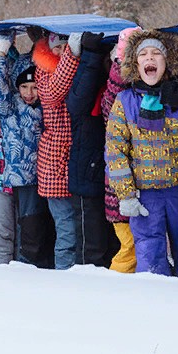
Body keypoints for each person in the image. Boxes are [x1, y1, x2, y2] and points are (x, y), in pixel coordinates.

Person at [106, 30, 178, 281]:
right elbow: (115, 150)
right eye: (143, 54)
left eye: (156, 54)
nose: (149, 58)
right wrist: (126, 195)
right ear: (136, 64)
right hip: (144, 196)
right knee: (149, 254)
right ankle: (154, 305)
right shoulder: (125, 101)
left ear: (167, 62)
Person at [0, 30, 52, 266]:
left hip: (32, 179)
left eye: (34, 87)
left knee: (29, 238)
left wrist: (41, 45)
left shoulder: (41, 109)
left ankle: (23, 285)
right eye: (24, 87)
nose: (29, 93)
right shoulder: (6, 106)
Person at [66, 31, 119, 267]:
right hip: (87, 174)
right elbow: (76, 104)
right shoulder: (87, 81)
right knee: (91, 249)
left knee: (116, 247)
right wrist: (91, 56)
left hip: (116, 177)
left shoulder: (125, 87)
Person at [32, 31, 82, 269]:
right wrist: (72, 54)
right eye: (58, 49)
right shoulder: (44, 70)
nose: (62, 53)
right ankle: (64, 276)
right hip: (55, 162)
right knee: (66, 229)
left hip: (77, 158)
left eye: (66, 48)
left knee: (80, 228)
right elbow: (53, 94)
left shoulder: (76, 68)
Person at [100, 26, 142, 273]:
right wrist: (122, 55)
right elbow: (115, 87)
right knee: (130, 248)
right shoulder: (115, 100)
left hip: (145, 188)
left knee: (140, 247)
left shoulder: (143, 95)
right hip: (121, 192)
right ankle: (116, 286)